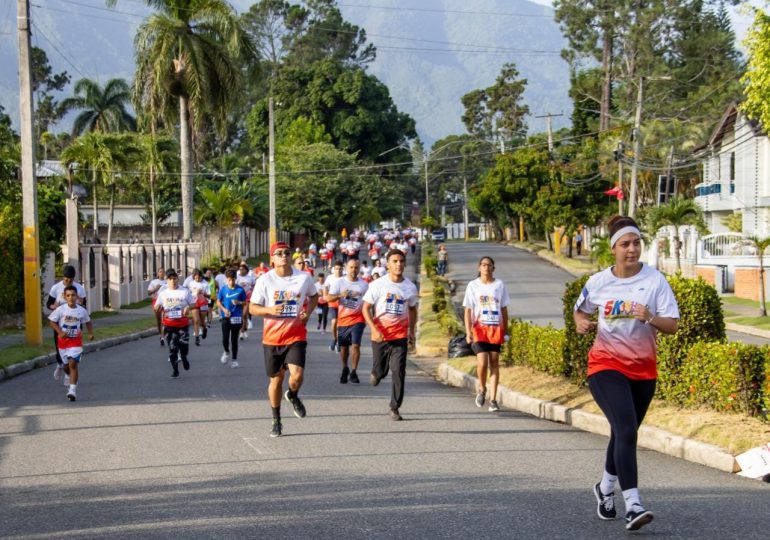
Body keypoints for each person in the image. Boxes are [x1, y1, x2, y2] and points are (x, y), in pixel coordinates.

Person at [573, 215, 679, 532]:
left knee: (623, 431)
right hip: (605, 365)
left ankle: (605, 488)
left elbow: (672, 325)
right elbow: (580, 310)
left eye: (636, 243)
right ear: (613, 249)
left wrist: (649, 317)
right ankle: (633, 504)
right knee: (628, 429)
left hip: (643, 370)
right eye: (625, 245)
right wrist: (580, 322)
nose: (631, 250)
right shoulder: (598, 283)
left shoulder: (655, 281)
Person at [250, 242, 318, 438]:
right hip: (272, 338)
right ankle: (276, 419)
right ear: (272, 259)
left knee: (296, 375)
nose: (283, 256)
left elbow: (314, 296)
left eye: (287, 253)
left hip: (296, 334)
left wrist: (308, 312)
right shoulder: (265, 280)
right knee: (276, 380)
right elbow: (253, 308)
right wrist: (270, 310)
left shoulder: (303, 277)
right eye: (279, 253)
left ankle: (293, 394)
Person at [362, 249, 418, 421]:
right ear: (388, 264)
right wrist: (373, 329)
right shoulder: (378, 284)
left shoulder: (409, 287)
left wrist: (411, 331)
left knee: (398, 370)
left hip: (400, 336)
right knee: (379, 373)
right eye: (394, 261)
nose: (398, 264)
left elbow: (412, 309)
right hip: (380, 336)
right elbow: (365, 308)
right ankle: (377, 372)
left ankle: (394, 407)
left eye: (401, 261)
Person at [463, 256, 510, 412]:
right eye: (483, 265)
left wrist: (505, 330)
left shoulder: (499, 285)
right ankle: (482, 388)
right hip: (479, 329)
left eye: (489, 265)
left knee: (495, 363)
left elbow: (503, 308)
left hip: (495, 330)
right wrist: (467, 331)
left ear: (493, 269)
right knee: (482, 362)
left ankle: (494, 399)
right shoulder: (473, 286)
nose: (486, 268)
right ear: (479, 268)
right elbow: (468, 309)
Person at [48, 285, 94, 401]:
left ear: (77, 297)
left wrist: (90, 333)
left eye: (73, 295)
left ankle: (72, 390)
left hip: (76, 341)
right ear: (64, 297)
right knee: (66, 366)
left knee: (73, 363)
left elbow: (88, 321)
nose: (71, 298)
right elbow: (51, 322)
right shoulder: (61, 310)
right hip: (63, 343)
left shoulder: (81, 310)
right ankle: (68, 375)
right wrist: (59, 332)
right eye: (68, 295)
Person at [326, 258, 368, 384]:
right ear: (346, 268)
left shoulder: (364, 285)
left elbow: (368, 303)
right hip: (343, 320)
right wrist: (340, 295)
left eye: (356, 267)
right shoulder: (339, 283)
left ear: (359, 269)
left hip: (358, 319)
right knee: (344, 348)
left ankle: (354, 372)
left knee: (356, 345)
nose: (353, 270)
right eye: (351, 267)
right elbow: (328, 298)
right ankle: (345, 368)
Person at [47, 264, 87, 383]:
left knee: (73, 353)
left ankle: (69, 376)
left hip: (75, 324)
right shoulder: (56, 288)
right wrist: (53, 306)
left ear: (73, 279)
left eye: (70, 280)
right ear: (63, 278)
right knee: (61, 349)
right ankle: (60, 364)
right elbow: (48, 303)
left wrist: (80, 302)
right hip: (60, 324)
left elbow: (85, 307)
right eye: (65, 279)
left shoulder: (79, 288)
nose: (68, 282)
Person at [154, 269, 196, 378]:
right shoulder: (163, 293)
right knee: (172, 349)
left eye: (174, 278)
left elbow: (193, 303)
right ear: (167, 281)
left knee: (184, 346)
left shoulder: (184, 291)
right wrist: (157, 307)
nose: (173, 281)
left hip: (182, 325)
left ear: (178, 279)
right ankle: (175, 370)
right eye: (170, 279)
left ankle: (184, 357)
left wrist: (187, 307)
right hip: (169, 325)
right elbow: (157, 306)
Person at [217, 269, 247, 368]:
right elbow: (218, 301)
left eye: (233, 279)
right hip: (226, 316)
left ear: (236, 279)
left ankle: (234, 360)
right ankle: (226, 351)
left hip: (237, 317)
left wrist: (239, 303)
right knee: (225, 338)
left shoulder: (240, 290)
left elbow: (245, 302)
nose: (231, 282)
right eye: (229, 280)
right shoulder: (223, 289)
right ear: (227, 280)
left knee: (234, 339)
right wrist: (224, 310)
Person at [325, 260, 344, 353]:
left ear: (343, 270)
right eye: (337, 269)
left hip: (343, 304)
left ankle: (339, 342)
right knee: (334, 321)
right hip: (332, 302)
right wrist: (325, 295)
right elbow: (325, 287)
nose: (338, 271)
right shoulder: (330, 278)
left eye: (340, 269)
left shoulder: (345, 278)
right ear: (334, 269)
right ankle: (334, 338)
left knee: (340, 325)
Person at [236, 263, 256, 340]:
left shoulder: (250, 278)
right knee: (241, 316)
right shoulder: (237, 278)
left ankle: (241, 332)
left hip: (247, 298)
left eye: (242, 269)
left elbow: (254, 286)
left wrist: (253, 292)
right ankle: (244, 330)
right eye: (240, 269)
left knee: (244, 315)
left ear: (246, 270)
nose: (241, 270)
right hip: (239, 298)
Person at [148, 268, 167, 346]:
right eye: (160, 272)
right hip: (156, 302)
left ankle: (163, 337)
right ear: (158, 273)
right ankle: (161, 335)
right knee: (159, 321)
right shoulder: (154, 282)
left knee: (165, 321)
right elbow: (149, 293)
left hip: (166, 302)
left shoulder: (167, 282)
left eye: (163, 272)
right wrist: (156, 288)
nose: (162, 273)